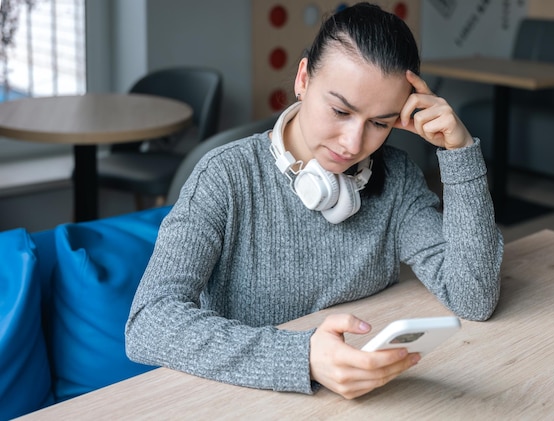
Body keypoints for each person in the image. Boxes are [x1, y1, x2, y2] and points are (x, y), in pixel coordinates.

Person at [125, 2, 503, 400]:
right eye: (341, 110)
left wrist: (459, 154)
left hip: (365, 398)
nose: (354, 144)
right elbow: (149, 322)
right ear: (303, 79)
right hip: (240, 398)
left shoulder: (398, 178)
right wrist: (303, 357)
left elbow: (473, 296)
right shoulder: (225, 176)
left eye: (380, 123)